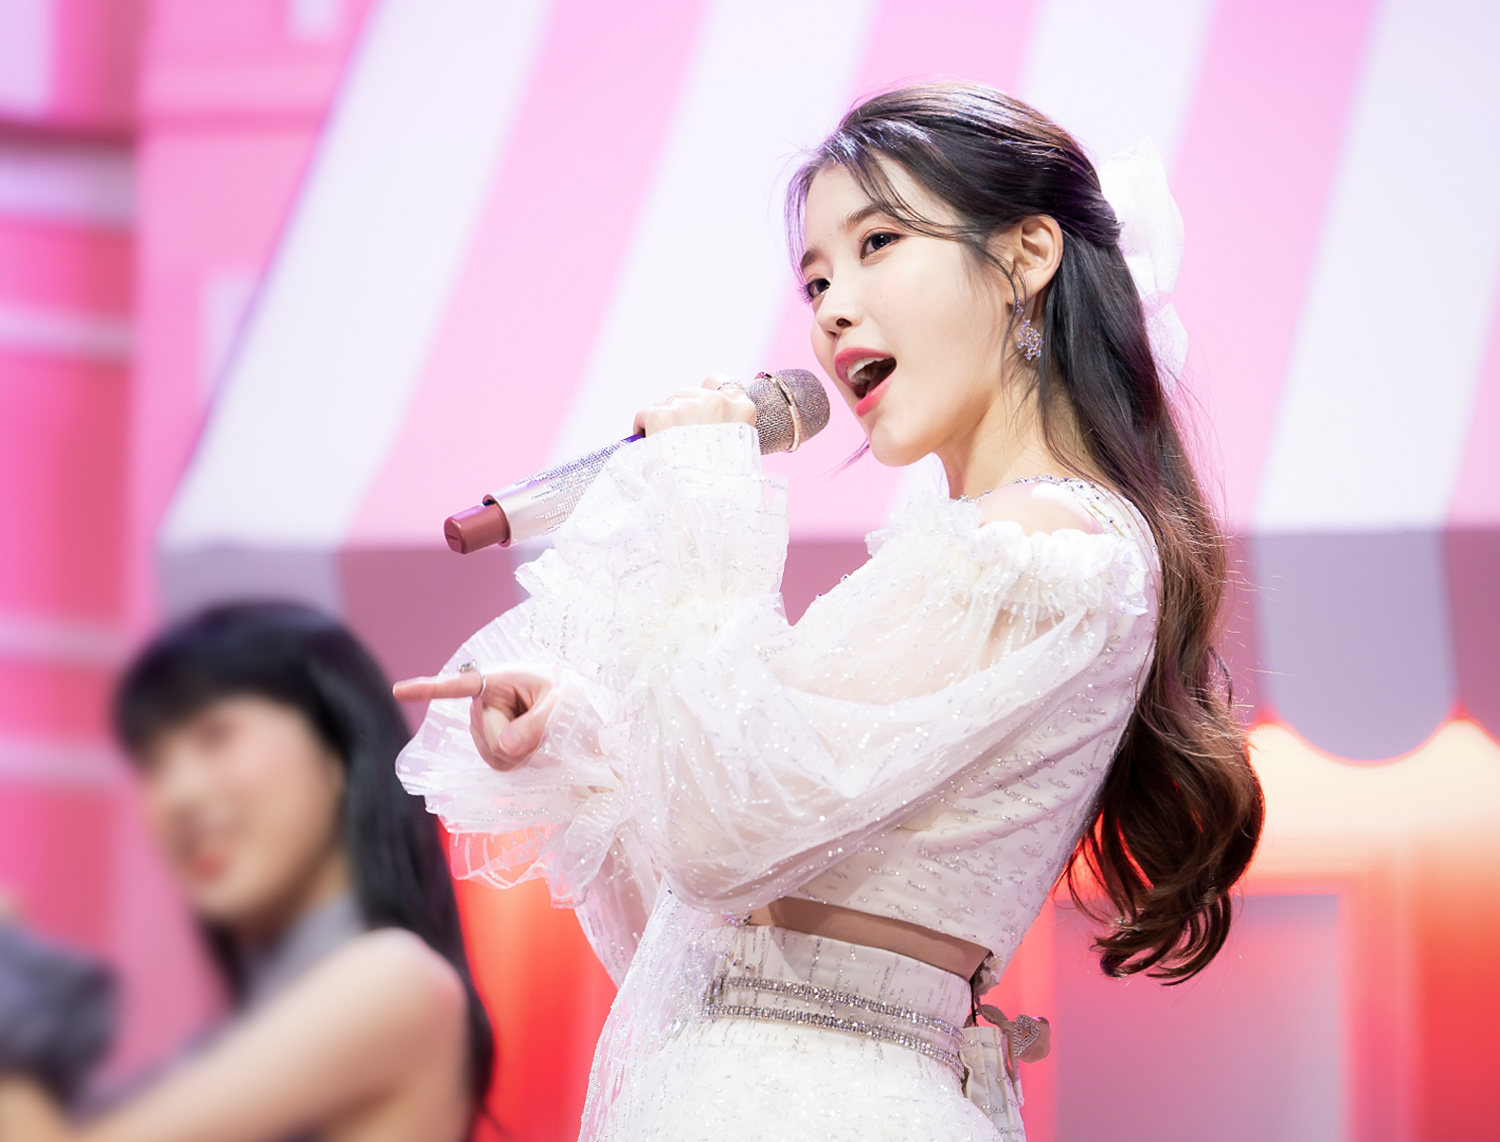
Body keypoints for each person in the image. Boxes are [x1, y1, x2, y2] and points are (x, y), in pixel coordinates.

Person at [394, 83, 1263, 1140]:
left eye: (878, 244)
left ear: (1028, 255)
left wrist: (703, 502)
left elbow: (726, 833)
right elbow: (710, 916)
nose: (831, 310)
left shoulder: (1047, 548)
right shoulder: (996, 542)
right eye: (815, 280)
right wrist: (578, 737)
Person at [0, 603, 494, 1142]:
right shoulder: (261, 1022)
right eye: (154, 763)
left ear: (336, 753)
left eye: (216, 736)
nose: (179, 793)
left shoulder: (395, 979)